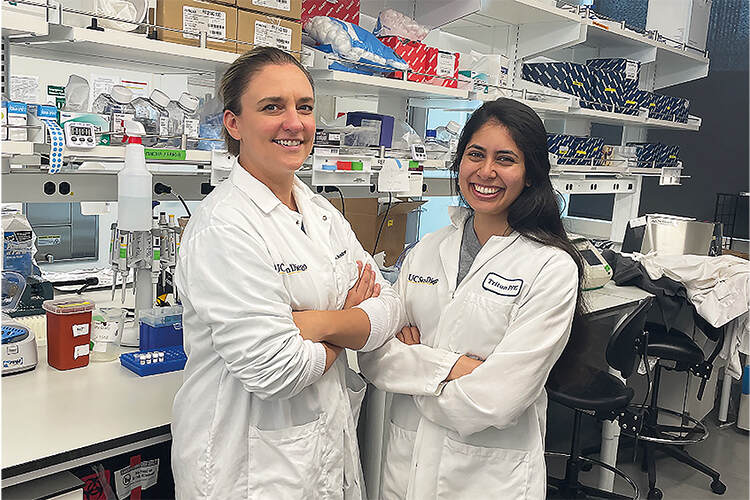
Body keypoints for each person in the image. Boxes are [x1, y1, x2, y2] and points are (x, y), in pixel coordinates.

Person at [171, 46, 403, 499]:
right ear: (233, 123)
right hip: (247, 469)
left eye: (305, 107)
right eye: (272, 107)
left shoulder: (320, 212)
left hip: (322, 455)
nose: (294, 122)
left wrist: (313, 324)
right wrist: (351, 319)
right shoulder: (224, 227)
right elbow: (278, 370)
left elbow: (390, 304)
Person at [359, 98, 586, 499]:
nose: (486, 172)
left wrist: (415, 373)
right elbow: (375, 356)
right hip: (408, 463)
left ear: (531, 173)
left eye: (506, 159)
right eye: (475, 155)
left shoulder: (551, 267)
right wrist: (457, 368)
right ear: (459, 162)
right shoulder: (428, 249)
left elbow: (499, 399)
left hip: (487, 478)